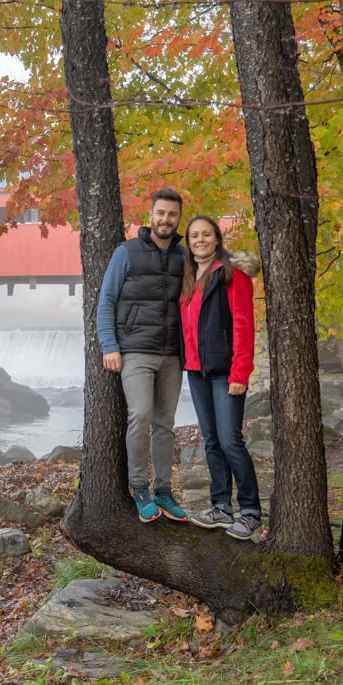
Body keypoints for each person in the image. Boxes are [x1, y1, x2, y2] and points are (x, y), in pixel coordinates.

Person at [96, 188, 190, 523]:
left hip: (172, 354)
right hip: (135, 351)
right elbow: (106, 300)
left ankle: (164, 490)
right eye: (161, 213)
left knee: (166, 424)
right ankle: (139, 488)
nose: (166, 219)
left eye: (173, 215)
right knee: (140, 415)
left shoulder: (184, 256)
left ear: (179, 218)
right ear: (150, 215)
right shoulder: (127, 253)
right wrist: (110, 345)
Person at [179, 215, 263, 540]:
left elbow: (243, 324)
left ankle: (251, 511)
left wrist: (241, 371)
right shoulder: (188, 276)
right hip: (196, 371)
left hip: (226, 371)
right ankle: (221, 507)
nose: (200, 240)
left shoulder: (232, 273)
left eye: (206, 234)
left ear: (216, 238)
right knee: (211, 440)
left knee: (230, 440)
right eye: (194, 235)